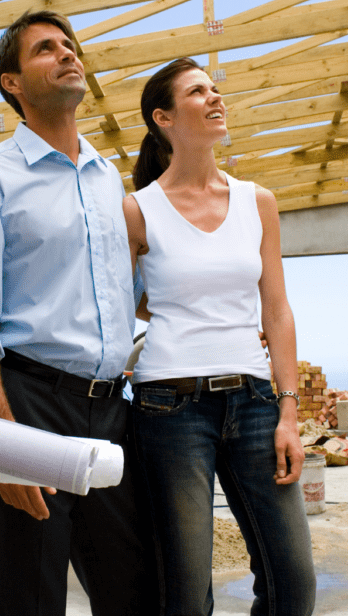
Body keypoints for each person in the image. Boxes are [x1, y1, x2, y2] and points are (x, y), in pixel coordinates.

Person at [0, 10, 158, 616]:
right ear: (12, 82)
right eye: (45, 49)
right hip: (28, 403)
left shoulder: (106, 179)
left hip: (113, 410)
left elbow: (128, 293)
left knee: (137, 592)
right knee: (28, 599)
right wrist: (4, 446)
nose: (67, 55)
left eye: (70, 46)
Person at [123, 57, 316, 616]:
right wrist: (175, 307)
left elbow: (276, 310)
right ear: (163, 117)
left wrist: (289, 413)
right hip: (168, 406)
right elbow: (126, 300)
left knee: (293, 585)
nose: (215, 97)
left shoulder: (258, 202)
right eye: (198, 91)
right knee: (184, 593)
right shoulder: (138, 210)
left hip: (255, 402)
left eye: (216, 88)